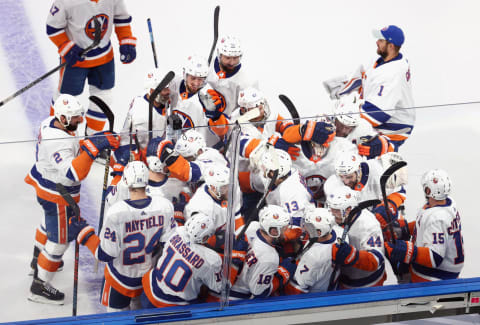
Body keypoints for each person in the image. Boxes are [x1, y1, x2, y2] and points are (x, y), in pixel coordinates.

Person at [25, 94, 120, 304]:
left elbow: (75, 147)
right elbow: (74, 173)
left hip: (46, 186)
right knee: (59, 240)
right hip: (58, 194)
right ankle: (39, 286)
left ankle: (36, 259)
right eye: (76, 117)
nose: (80, 120)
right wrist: (93, 147)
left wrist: (96, 140)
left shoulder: (52, 123)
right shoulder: (58, 140)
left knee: (48, 222)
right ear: (63, 117)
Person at [73, 161, 177, 311]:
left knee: (116, 320)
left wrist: (85, 234)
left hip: (119, 279)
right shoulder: (164, 206)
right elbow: (169, 244)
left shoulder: (117, 212)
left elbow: (105, 254)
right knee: (138, 316)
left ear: (126, 181)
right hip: (147, 278)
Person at [46, 0, 136, 135]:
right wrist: (66, 47)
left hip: (104, 58)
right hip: (76, 62)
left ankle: (92, 138)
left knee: (104, 97)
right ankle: (54, 134)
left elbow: (121, 18)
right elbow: (52, 27)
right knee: (64, 99)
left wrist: (126, 40)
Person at [324, 25, 414, 149]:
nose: (376, 42)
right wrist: (338, 89)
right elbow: (363, 75)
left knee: (350, 149)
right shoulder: (382, 59)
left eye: (381, 40)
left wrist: (340, 122)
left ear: (391, 46)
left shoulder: (391, 74)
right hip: (381, 117)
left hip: (392, 128)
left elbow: (377, 113)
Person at [141, 213, 240, 307]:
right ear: (206, 237)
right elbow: (222, 288)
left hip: (149, 288)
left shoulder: (177, 232)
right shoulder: (211, 260)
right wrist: (235, 261)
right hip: (172, 304)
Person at [384, 169, 465, 282]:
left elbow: (435, 257)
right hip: (445, 271)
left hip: (434, 278)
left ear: (428, 190)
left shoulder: (437, 218)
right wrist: (406, 228)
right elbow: (426, 225)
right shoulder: (448, 204)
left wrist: (406, 250)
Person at [324, 151, 407, 236]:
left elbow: (400, 192)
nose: (346, 181)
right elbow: (333, 216)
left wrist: (389, 206)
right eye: (341, 177)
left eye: (349, 177)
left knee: (400, 231)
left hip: (382, 222)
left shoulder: (378, 171)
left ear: (359, 169)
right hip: (354, 227)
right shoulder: (332, 184)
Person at [230, 205, 297, 299]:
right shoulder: (270, 258)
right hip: (235, 299)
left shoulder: (251, 227)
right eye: (283, 228)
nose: (286, 231)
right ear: (274, 231)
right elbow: (259, 292)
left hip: (223, 285)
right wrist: (282, 276)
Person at [326, 186, 386, 289]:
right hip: (342, 280)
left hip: (368, 283)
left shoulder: (369, 224)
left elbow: (376, 260)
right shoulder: (336, 218)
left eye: (336, 210)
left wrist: (353, 256)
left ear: (349, 209)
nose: (332, 214)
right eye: (331, 209)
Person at [285, 208, 342, 294]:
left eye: (308, 225)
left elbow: (296, 289)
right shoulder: (339, 232)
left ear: (318, 232)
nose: (304, 227)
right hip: (331, 285)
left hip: (315, 296)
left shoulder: (313, 257)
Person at [119, 69, 171, 150]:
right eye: (164, 89)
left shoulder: (154, 99)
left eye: (168, 88)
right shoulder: (142, 114)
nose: (168, 91)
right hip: (137, 154)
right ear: (151, 91)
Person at [207, 35, 259, 116]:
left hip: (229, 125)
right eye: (227, 58)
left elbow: (254, 113)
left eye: (235, 58)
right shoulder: (206, 68)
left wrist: (232, 122)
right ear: (219, 54)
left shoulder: (247, 82)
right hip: (201, 124)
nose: (232, 63)